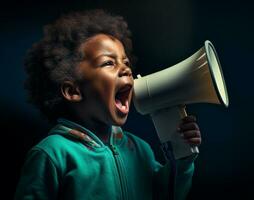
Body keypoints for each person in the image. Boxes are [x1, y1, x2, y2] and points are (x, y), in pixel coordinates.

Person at [15, 9, 201, 200]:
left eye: (126, 62)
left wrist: (182, 156)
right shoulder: (53, 153)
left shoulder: (139, 149)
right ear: (73, 91)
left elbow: (166, 195)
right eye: (108, 63)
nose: (126, 70)